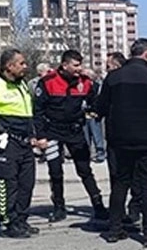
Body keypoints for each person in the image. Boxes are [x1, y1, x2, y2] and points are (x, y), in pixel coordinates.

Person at [93, 38, 147, 247]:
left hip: (120, 140)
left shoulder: (113, 77)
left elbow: (100, 108)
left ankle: (114, 229)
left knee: (120, 184)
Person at [0, 49, 46, 239]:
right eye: (21, 63)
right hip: (5, 143)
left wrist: (33, 136)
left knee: (26, 185)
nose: (25, 66)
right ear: (9, 66)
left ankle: (21, 219)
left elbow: (28, 114)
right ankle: (8, 222)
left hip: (24, 144)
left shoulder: (21, 85)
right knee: (8, 184)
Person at [35, 50, 108, 224]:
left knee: (84, 169)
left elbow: (97, 101)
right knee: (55, 171)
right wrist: (41, 136)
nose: (79, 69)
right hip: (53, 130)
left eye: (80, 65)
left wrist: (93, 109)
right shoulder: (48, 82)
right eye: (75, 65)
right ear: (65, 65)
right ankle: (59, 207)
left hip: (75, 131)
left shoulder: (85, 82)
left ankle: (98, 204)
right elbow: (37, 111)